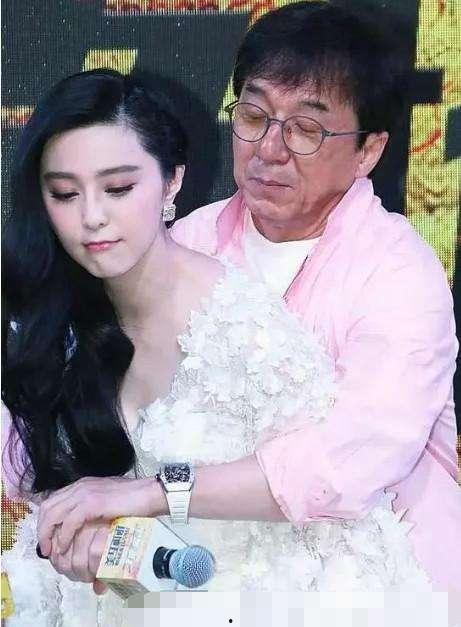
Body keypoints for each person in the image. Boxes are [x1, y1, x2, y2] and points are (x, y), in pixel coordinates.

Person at [2, 66, 429, 627]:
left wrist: (151, 502)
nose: (92, 217)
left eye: (119, 188)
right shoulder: (45, 317)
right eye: (64, 193)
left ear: (172, 183)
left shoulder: (241, 329)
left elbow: (329, 519)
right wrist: (80, 541)